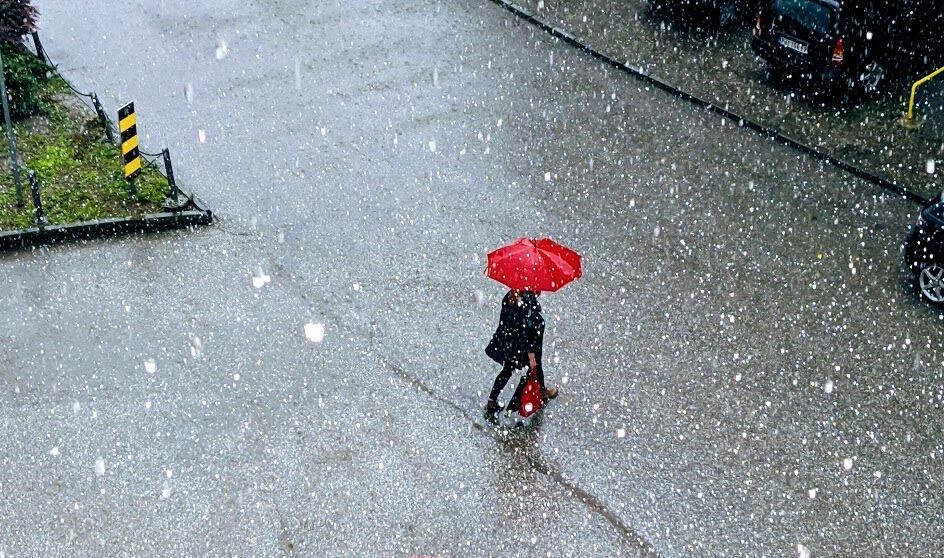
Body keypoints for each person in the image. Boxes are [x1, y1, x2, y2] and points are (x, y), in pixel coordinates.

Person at [484, 289, 558, 415]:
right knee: (534, 366)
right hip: (522, 346)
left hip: (512, 344)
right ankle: (536, 395)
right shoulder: (525, 304)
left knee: (508, 370)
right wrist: (531, 354)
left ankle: (492, 400)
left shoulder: (513, 297)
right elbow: (525, 330)